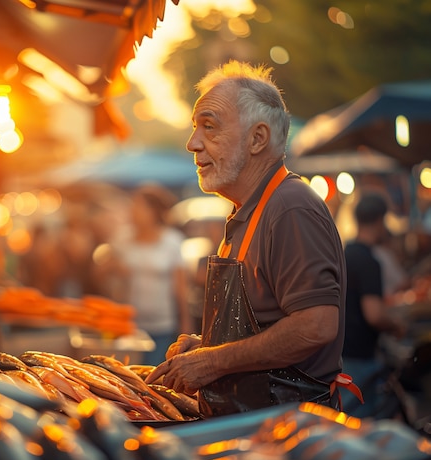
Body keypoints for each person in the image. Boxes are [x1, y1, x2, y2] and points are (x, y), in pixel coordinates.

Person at [145, 60, 354, 417]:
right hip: (256, 421)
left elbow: (315, 326)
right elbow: (265, 326)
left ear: (257, 138)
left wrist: (214, 361)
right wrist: (207, 347)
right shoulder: (250, 209)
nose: (192, 144)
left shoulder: (290, 206)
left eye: (209, 128)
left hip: (288, 430)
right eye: (196, 128)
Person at [101, 183, 192, 365]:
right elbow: (102, 272)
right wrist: (111, 267)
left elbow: (180, 288)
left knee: (152, 376)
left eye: (139, 207)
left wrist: (185, 326)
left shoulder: (172, 242)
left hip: (162, 326)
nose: (133, 211)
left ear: (154, 212)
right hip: (128, 325)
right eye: (133, 206)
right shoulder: (122, 238)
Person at [341, 192, 408, 417]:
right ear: (380, 220)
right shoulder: (369, 261)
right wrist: (396, 326)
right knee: (361, 422)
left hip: (342, 351)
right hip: (361, 356)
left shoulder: (345, 253)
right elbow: (374, 314)